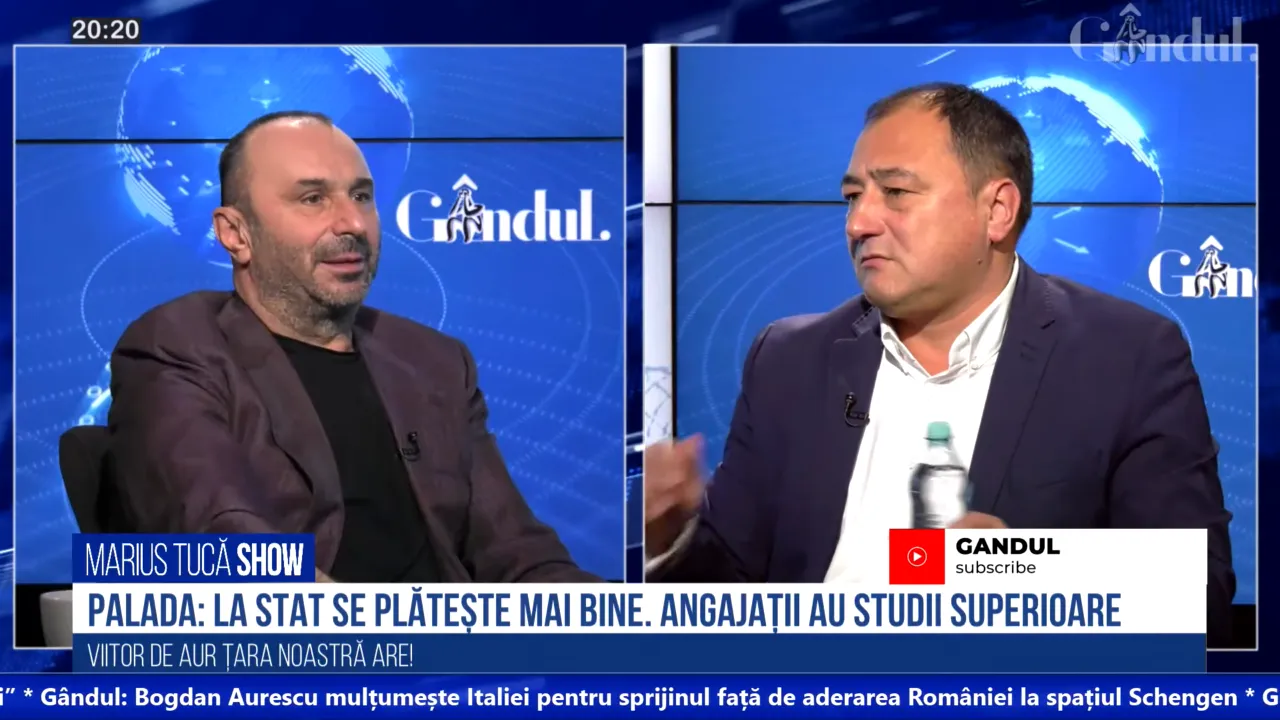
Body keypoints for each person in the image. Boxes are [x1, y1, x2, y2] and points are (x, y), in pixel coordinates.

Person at [644, 83, 1235, 643]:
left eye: (895, 193)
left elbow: (1198, 589)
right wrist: (669, 535)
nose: (858, 223)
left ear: (997, 211)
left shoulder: (1126, 354)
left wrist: (1019, 571)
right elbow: (726, 600)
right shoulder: (788, 358)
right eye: (853, 197)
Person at [105, 111, 596, 583]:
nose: (353, 224)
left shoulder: (435, 362)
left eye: (361, 196)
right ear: (236, 234)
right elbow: (224, 544)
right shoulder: (179, 346)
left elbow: (520, 555)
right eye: (313, 198)